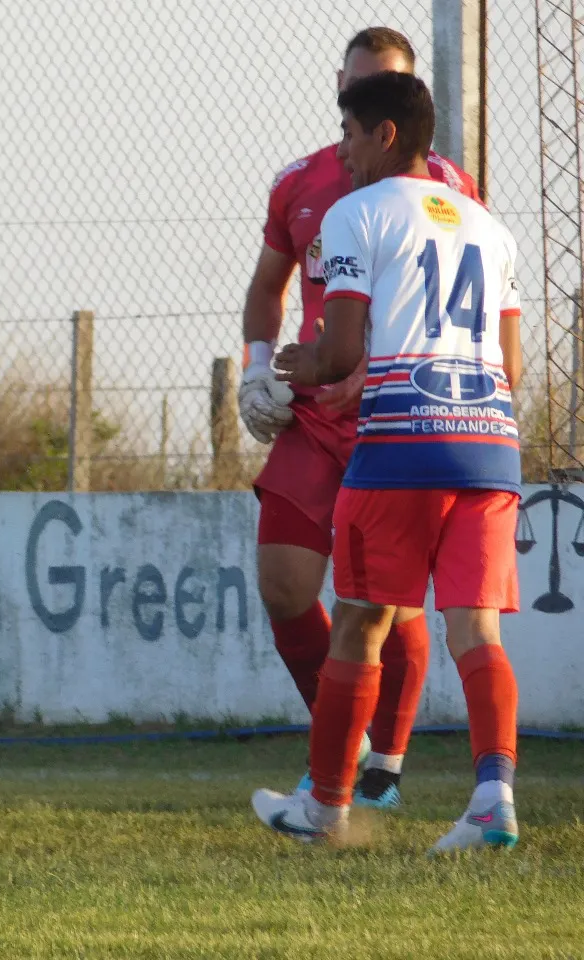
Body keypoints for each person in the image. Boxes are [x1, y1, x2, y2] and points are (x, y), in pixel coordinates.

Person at [252, 71, 522, 852]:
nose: (343, 150)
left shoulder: (353, 214)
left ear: (386, 136)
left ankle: (327, 806)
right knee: (476, 630)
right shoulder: (489, 227)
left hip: (402, 440)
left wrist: (291, 368)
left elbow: (339, 353)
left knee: (360, 623)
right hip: (488, 443)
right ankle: (492, 801)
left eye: (349, 133)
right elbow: (511, 363)